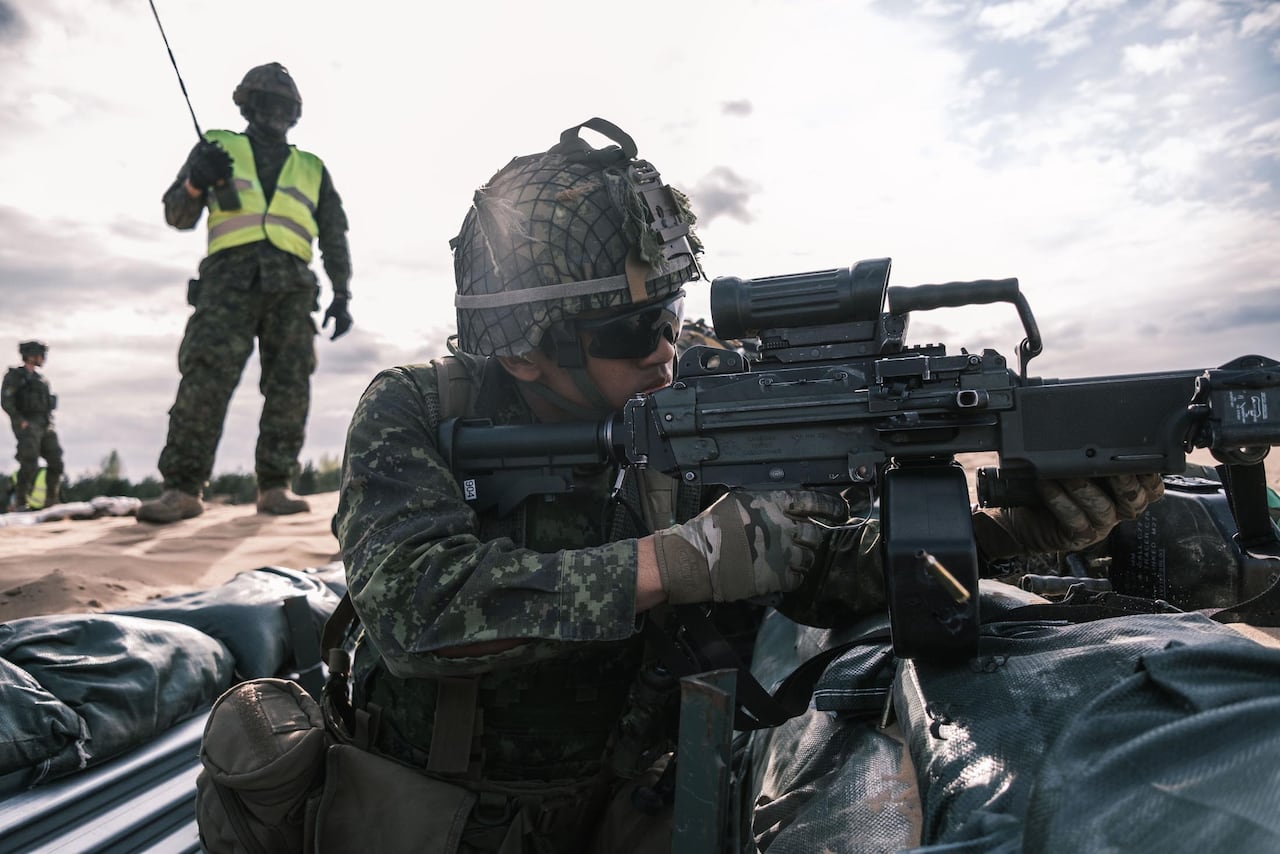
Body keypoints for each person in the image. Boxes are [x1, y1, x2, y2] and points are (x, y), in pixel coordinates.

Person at [333, 119, 1163, 853]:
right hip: (445, 818)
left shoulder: (695, 395)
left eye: (672, 310)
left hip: (636, 802)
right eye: (633, 331)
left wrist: (1009, 533)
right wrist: (684, 563)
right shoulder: (418, 410)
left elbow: (823, 569)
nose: (667, 346)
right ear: (523, 354)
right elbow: (416, 611)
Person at [138, 62, 353, 524]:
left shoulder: (312, 168)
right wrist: (197, 180)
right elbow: (177, 214)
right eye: (267, 102)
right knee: (204, 380)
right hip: (226, 287)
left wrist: (343, 294)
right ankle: (182, 489)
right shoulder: (218, 147)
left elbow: (334, 236)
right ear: (249, 104)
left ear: (294, 113)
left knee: (290, 387)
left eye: (284, 105)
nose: (276, 112)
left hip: (292, 290)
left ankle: (276, 486)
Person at [2, 340, 64, 511]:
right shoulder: (15, 376)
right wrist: (19, 420)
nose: (42, 359)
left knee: (56, 462)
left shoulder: (41, 380)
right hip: (27, 424)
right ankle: (20, 502)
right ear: (30, 356)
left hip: (45, 424)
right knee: (29, 463)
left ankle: (51, 501)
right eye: (40, 355)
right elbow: (6, 401)